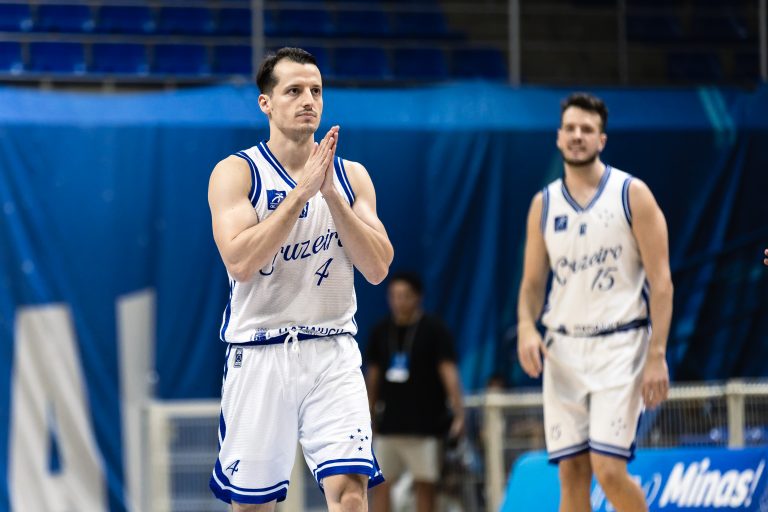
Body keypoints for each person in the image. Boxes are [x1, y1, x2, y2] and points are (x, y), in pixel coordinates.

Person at [207, 47, 394, 512]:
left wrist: (331, 196)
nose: (308, 100)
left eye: (316, 91)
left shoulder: (351, 177)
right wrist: (300, 194)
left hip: (332, 350)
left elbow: (378, 267)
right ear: (266, 103)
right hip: (260, 351)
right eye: (293, 91)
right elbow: (240, 262)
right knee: (254, 507)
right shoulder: (237, 172)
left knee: (351, 493)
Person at [516, 92, 673, 512]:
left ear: (601, 139)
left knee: (608, 468)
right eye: (570, 128)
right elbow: (532, 283)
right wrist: (527, 327)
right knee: (571, 472)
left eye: (587, 129)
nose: (577, 136)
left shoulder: (632, 194)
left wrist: (657, 354)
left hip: (620, 346)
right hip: (563, 349)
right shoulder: (543, 204)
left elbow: (661, 282)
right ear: (558, 137)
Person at [364, 271, 465, 512]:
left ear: (418, 297)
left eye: (405, 295)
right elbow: (373, 377)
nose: (399, 301)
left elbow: (448, 372)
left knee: (425, 484)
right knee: (380, 483)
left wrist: (459, 414)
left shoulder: (434, 330)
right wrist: (368, 414)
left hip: (426, 425)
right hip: (389, 425)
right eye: (394, 296)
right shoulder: (381, 331)